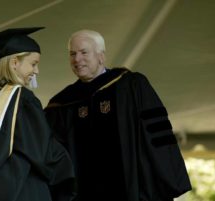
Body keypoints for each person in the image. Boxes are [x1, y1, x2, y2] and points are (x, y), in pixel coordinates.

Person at [44, 29, 192, 201]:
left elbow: (156, 137)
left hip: (130, 189)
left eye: (84, 52)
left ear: (101, 56)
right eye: (72, 54)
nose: (77, 59)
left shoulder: (131, 87)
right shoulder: (62, 103)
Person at [0, 27, 76, 201]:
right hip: (22, 190)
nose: (37, 71)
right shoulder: (22, 99)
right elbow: (44, 151)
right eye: (33, 64)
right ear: (14, 63)